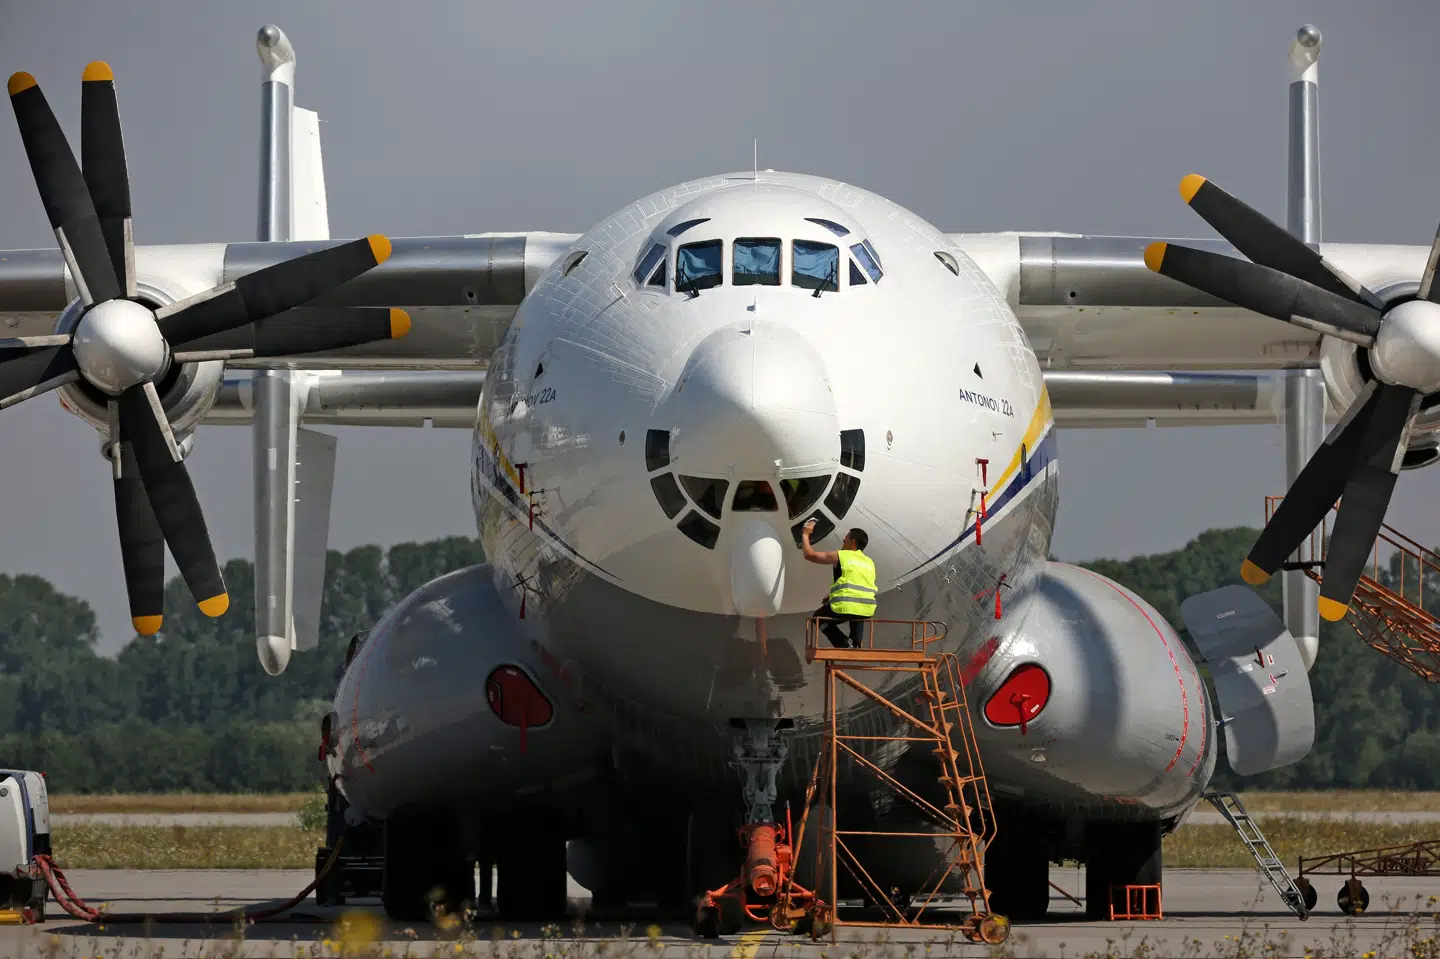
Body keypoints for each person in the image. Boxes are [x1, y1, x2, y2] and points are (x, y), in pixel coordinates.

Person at [800, 518, 876, 649]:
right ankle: (856, 644)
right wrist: (831, 595)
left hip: (845, 606)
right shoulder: (869, 562)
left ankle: (844, 644)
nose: (843, 540)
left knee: (818, 618)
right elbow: (855, 583)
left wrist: (805, 534)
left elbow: (809, 555)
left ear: (853, 542)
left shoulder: (841, 556)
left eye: (846, 537)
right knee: (857, 612)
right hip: (867, 608)